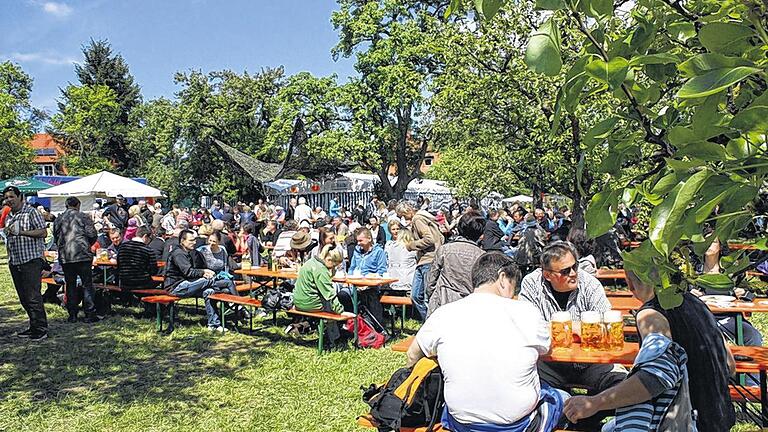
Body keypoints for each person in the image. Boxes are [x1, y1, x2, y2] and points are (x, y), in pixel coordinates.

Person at [406, 252, 567, 431]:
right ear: (503, 278)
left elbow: (413, 353)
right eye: (514, 287)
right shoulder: (526, 311)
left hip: (461, 422)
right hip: (519, 424)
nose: (513, 294)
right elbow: (545, 348)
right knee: (564, 397)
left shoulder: (444, 313)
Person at [567, 269, 736, 432]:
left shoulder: (650, 315)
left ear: (630, 284)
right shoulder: (696, 302)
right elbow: (730, 365)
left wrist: (595, 403)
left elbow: (654, 378)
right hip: (720, 418)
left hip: (687, 423)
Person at [519, 241, 626, 428]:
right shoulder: (531, 284)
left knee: (623, 384)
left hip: (591, 363)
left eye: (575, 266)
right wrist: (572, 328)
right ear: (547, 275)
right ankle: (572, 415)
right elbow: (526, 325)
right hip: (550, 363)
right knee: (526, 389)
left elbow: (605, 326)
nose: (574, 273)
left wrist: (574, 328)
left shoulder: (589, 283)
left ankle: (590, 414)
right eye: (565, 271)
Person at [3, 185, 48, 340]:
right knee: (23, 297)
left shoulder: (31, 212)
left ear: (19, 197)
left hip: (30, 260)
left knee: (33, 296)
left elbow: (43, 232)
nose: (9, 200)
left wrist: (22, 232)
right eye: (6, 197)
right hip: (15, 260)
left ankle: (41, 329)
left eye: (11, 197)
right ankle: (33, 325)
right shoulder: (9, 216)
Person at [164, 229, 227, 332]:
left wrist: (203, 272)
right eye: (191, 240)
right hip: (175, 287)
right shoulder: (178, 253)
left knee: (209, 291)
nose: (194, 242)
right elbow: (188, 272)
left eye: (194, 240)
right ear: (182, 241)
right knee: (210, 280)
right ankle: (224, 288)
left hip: (188, 284)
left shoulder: (188, 252)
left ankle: (214, 324)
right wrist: (204, 272)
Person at [425, 211, 485, 317]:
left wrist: (432, 296)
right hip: (468, 305)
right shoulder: (482, 256)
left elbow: (431, 279)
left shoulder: (445, 250)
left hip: (441, 301)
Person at [293, 245, 355, 346]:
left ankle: (334, 335)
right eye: (334, 265)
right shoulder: (321, 270)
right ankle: (335, 340)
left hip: (298, 302)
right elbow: (329, 294)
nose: (333, 267)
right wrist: (341, 312)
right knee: (331, 308)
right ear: (330, 259)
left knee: (328, 304)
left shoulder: (310, 262)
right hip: (309, 304)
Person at [53, 196, 99, 323]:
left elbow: (56, 236)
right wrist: (87, 244)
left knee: (70, 284)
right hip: (83, 254)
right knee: (87, 284)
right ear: (78, 205)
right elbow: (92, 234)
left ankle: (72, 314)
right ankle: (89, 314)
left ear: (66, 205)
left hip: (66, 256)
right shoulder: (83, 217)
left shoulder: (59, 219)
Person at [396, 201, 444, 321]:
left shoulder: (418, 219)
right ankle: (429, 321)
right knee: (416, 295)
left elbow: (429, 239)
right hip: (425, 260)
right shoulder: (422, 218)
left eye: (402, 215)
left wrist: (411, 245)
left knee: (424, 296)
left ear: (407, 211)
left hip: (428, 260)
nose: (403, 218)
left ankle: (432, 323)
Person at [117, 226, 159, 291]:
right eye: (150, 238)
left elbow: (119, 265)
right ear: (145, 236)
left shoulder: (123, 246)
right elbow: (154, 270)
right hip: (141, 283)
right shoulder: (148, 250)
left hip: (124, 283)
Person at [384, 220, 417, 293]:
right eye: (393, 229)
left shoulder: (409, 244)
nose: (396, 231)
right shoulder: (388, 244)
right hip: (393, 276)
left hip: (407, 278)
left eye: (397, 229)